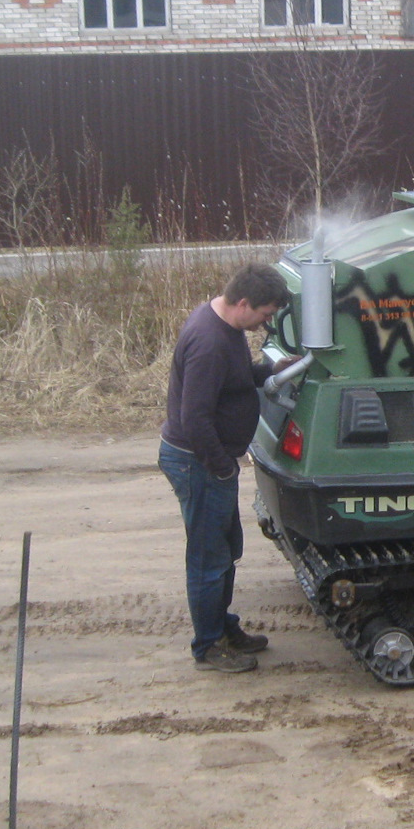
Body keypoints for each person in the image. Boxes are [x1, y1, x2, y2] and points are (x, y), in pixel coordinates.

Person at [158, 264, 295, 673]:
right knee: (208, 558)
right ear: (242, 303)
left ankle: (222, 626)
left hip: (209, 463)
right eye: (266, 313)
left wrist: (274, 368)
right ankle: (208, 646)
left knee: (225, 551)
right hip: (197, 463)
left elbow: (236, 380)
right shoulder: (209, 342)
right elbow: (195, 418)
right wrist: (221, 469)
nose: (267, 322)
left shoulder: (227, 326)